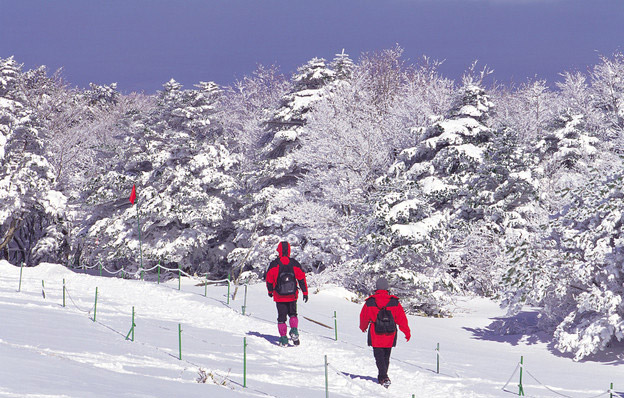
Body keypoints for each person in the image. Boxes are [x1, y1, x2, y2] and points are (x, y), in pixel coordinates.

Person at [359, 277, 410, 388]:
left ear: (376, 287)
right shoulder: (394, 302)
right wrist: (406, 331)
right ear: (387, 288)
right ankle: (383, 376)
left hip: (375, 333)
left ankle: (383, 377)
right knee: (386, 356)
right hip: (390, 334)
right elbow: (402, 318)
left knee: (379, 356)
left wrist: (363, 327)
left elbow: (363, 317)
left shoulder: (370, 302)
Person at [265, 241, 308, 347]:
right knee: (293, 314)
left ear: (279, 250)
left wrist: (270, 291)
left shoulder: (274, 264)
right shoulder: (294, 263)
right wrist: (305, 292)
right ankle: (294, 330)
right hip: (292, 295)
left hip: (279, 296)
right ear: (289, 250)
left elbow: (269, 280)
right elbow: (301, 278)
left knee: (281, 318)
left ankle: (283, 338)